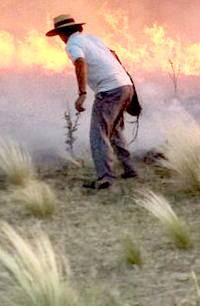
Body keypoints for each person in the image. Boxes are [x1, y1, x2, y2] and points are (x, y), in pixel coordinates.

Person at [46, 14, 137, 189]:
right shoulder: (92, 39)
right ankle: (130, 169)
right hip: (125, 85)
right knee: (115, 130)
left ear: (62, 34)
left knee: (98, 134)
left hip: (109, 91)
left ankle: (105, 178)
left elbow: (80, 63)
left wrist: (82, 93)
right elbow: (114, 55)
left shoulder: (72, 45)